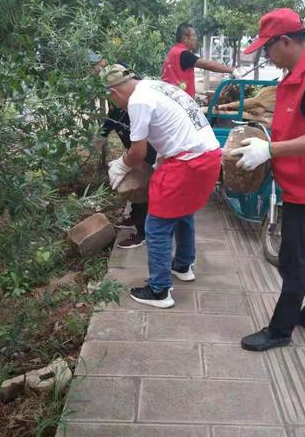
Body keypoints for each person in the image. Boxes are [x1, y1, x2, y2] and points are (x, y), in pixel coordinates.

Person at [231, 8, 305, 351]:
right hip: (303, 184)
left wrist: (271, 150)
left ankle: (280, 330)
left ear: (286, 41)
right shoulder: (296, 74)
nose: (266, 56)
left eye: (267, 48)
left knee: (293, 259)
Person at [103, 64, 221, 308]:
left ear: (114, 94)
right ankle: (183, 264)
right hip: (209, 155)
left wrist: (121, 166)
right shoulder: (156, 86)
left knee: (156, 225)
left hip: (187, 162)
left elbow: (137, 151)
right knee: (183, 211)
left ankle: (159, 290)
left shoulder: (137, 101)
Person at [92, 59, 156, 249]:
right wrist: (91, 146)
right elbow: (103, 131)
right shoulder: (115, 112)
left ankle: (142, 233)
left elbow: (142, 143)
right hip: (136, 153)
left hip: (147, 153)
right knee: (135, 190)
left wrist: (127, 162)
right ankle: (135, 218)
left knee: (141, 192)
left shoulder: (135, 106)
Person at [162, 22, 242, 98]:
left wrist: (203, 95)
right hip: (177, 102)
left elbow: (180, 82)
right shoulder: (182, 53)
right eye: (194, 35)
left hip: (173, 98)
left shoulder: (174, 51)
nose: (196, 39)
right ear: (185, 38)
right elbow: (207, 65)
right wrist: (232, 70)